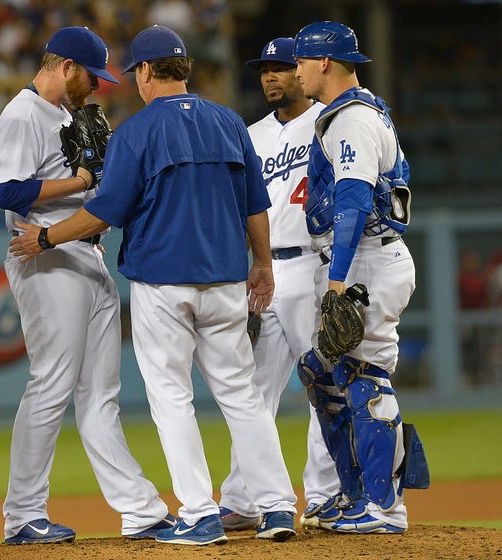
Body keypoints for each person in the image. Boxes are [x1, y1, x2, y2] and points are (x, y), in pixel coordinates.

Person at [10, 24, 298, 545]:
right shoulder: (230, 122)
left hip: (163, 284)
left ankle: (199, 513)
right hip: (226, 281)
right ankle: (277, 508)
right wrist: (264, 265)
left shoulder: (137, 132)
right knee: (242, 395)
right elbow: (257, 203)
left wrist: (47, 236)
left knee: (171, 398)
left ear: (145, 71)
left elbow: (104, 212)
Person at [0, 25, 174, 544]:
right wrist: (86, 180)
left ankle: (139, 508)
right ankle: (23, 514)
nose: (97, 87)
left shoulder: (72, 116)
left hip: (87, 252)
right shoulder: (22, 113)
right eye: (90, 77)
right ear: (65, 66)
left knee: (101, 395)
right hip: (44, 254)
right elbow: (9, 191)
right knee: (51, 383)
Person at [293, 20, 416, 533]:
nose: (296, 70)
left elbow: (352, 200)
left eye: (301, 60)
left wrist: (339, 279)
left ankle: (385, 507)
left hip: (366, 259)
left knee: (367, 375)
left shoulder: (351, 119)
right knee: (321, 372)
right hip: (358, 258)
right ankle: (355, 494)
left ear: (324, 63)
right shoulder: (348, 114)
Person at [218, 37, 340, 532]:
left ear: (305, 71)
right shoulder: (250, 135)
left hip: (315, 264)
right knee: (251, 391)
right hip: (265, 270)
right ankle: (244, 498)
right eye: (263, 69)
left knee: (325, 384)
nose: (270, 76)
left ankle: (327, 494)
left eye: (281, 68)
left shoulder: (330, 121)